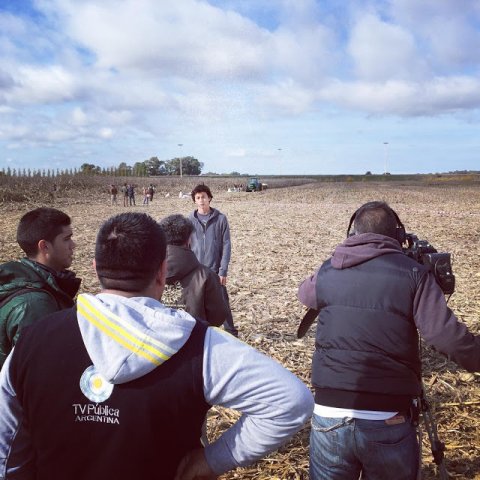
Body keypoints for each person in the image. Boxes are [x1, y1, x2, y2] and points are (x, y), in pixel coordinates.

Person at [0, 212, 314, 480]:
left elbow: (8, 439)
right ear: (162, 272)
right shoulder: (201, 345)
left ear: (96, 268)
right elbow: (292, 401)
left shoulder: (32, 340)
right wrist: (214, 459)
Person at [298, 201, 480, 480]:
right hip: (388, 418)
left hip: (328, 413)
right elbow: (446, 337)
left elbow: (304, 294)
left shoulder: (329, 270)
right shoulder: (413, 274)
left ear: (353, 234)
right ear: (397, 236)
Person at [0, 207, 81, 369]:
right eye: (67, 239)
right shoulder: (34, 305)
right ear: (44, 246)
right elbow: (42, 371)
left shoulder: (26, 277)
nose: (73, 245)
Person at [159, 214, 229, 327]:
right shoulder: (207, 276)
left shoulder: (148, 274)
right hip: (195, 335)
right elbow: (217, 317)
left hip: (154, 336)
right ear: (189, 240)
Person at [188, 184, 238, 337]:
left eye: (203, 197)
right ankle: (201, 333)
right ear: (194, 201)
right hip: (197, 270)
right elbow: (187, 246)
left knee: (222, 302)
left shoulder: (221, 219)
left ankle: (231, 332)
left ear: (209, 198)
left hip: (215, 270)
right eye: (198, 198)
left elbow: (226, 245)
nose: (201, 200)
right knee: (197, 303)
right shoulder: (189, 220)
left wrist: (223, 270)